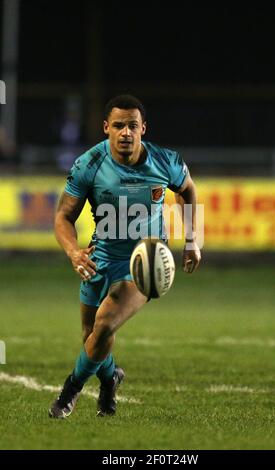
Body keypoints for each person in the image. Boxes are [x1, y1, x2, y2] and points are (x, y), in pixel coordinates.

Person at [49, 94, 201, 419]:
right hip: (100, 257)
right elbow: (63, 217)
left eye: (132, 125)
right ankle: (110, 378)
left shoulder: (166, 161)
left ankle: (69, 393)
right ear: (107, 128)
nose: (126, 133)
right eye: (118, 125)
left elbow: (187, 189)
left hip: (144, 263)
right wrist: (73, 251)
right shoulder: (88, 164)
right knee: (92, 338)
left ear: (143, 128)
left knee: (104, 324)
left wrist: (191, 239)